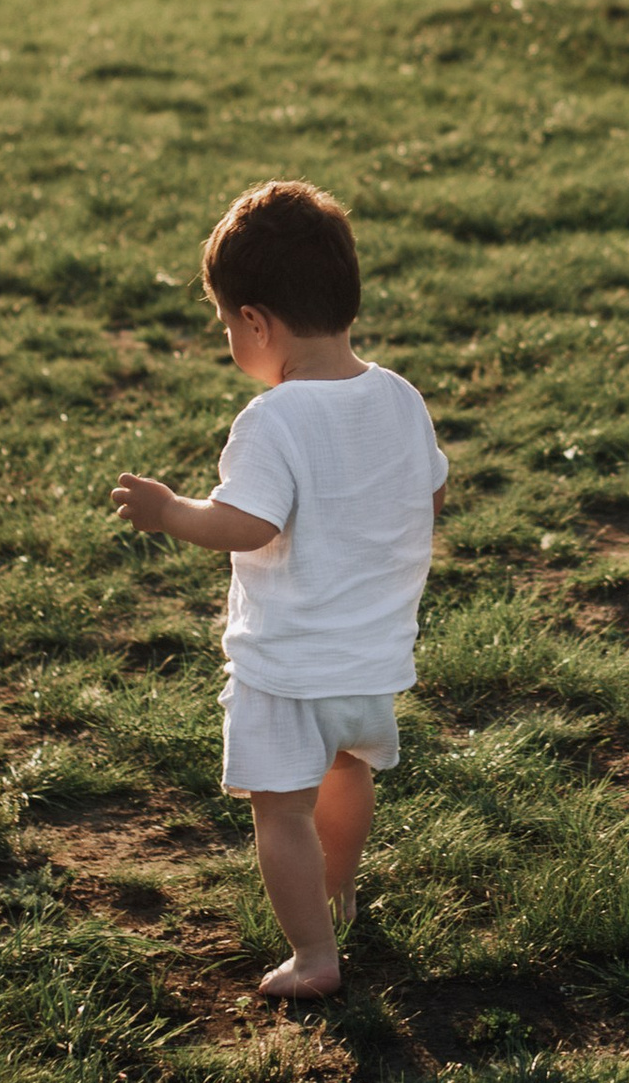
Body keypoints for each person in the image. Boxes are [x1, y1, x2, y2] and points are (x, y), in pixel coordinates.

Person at [112, 180, 446, 1002]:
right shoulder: (399, 396)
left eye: (227, 325)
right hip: (370, 660)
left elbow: (245, 525)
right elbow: (430, 494)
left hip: (287, 667)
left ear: (256, 322)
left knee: (281, 810)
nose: (231, 339)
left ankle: (313, 954)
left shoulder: (273, 420)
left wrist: (169, 512)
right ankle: (342, 895)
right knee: (347, 771)